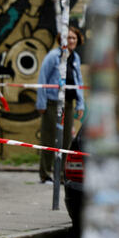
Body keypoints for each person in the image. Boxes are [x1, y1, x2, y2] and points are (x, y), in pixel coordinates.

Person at [37, 26, 84, 185]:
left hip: (68, 105)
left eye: (74, 38)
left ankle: (64, 175)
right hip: (52, 103)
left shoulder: (75, 57)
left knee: (66, 140)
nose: (71, 41)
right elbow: (42, 79)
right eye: (69, 38)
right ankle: (45, 174)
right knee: (49, 138)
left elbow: (79, 82)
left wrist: (80, 103)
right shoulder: (53, 56)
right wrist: (41, 102)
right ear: (62, 39)